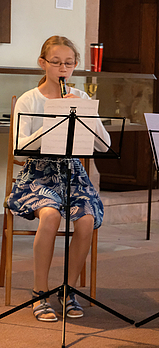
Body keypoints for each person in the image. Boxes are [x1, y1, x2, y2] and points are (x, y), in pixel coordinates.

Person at [8, 35, 110, 322]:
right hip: (38, 174)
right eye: (56, 63)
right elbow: (20, 143)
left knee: (87, 218)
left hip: (72, 173)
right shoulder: (30, 98)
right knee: (50, 215)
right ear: (43, 64)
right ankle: (39, 291)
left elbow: (103, 145)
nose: (63, 68)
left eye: (69, 63)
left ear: (76, 65)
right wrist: (55, 121)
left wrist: (83, 113)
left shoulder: (83, 98)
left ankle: (68, 290)